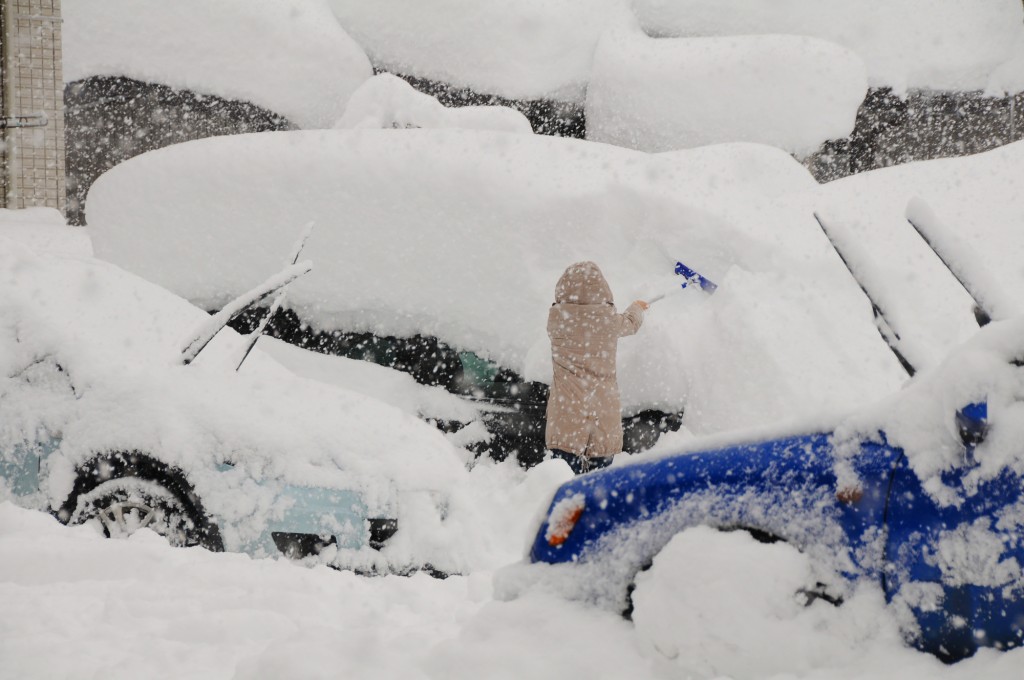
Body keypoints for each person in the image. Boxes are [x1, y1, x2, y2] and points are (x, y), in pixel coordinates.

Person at [545, 261, 648, 474]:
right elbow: (631, 323)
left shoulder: (556, 320)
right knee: (598, 483)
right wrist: (637, 307)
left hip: (567, 412)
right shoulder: (609, 321)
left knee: (564, 479)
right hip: (603, 411)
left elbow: (579, 323)